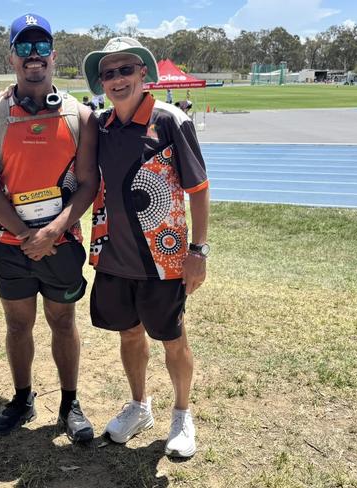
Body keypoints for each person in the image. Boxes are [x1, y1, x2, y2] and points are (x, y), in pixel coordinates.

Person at [0, 13, 99, 443]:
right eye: (24, 47)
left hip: (61, 243)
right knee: (17, 325)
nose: (33, 56)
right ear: (11, 56)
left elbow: (88, 184)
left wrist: (53, 232)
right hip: (12, 246)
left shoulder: (80, 115)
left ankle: (70, 404)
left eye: (40, 47)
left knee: (63, 322)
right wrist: (28, 236)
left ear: (53, 55)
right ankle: (23, 398)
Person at [82, 37, 210, 458]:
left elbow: (199, 188)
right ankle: (139, 405)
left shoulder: (171, 120)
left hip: (166, 259)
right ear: (101, 82)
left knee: (172, 337)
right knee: (129, 333)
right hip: (114, 259)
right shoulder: (98, 126)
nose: (117, 79)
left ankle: (182, 414)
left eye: (125, 70)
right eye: (108, 73)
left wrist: (199, 251)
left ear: (143, 73)